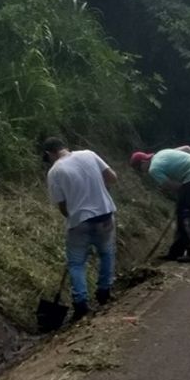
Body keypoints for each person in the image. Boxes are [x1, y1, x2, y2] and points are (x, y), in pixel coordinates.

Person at [42, 137, 118, 321]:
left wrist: (74, 218)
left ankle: (81, 303)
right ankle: (104, 291)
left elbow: (62, 206)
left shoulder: (55, 171)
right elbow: (112, 178)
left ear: (48, 154)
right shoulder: (89, 154)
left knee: (76, 263)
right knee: (106, 253)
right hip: (105, 214)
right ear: (64, 146)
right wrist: (98, 190)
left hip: (79, 221)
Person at [130, 148, 190, 262]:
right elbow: (187, 148)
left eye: (140, 169)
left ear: (143, 162)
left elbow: (172, 186)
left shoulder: (153, 169)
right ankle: (176, 252)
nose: (143, 172)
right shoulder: (161, 153)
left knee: (186, 218)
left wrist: (178, 190)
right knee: (181, 215)